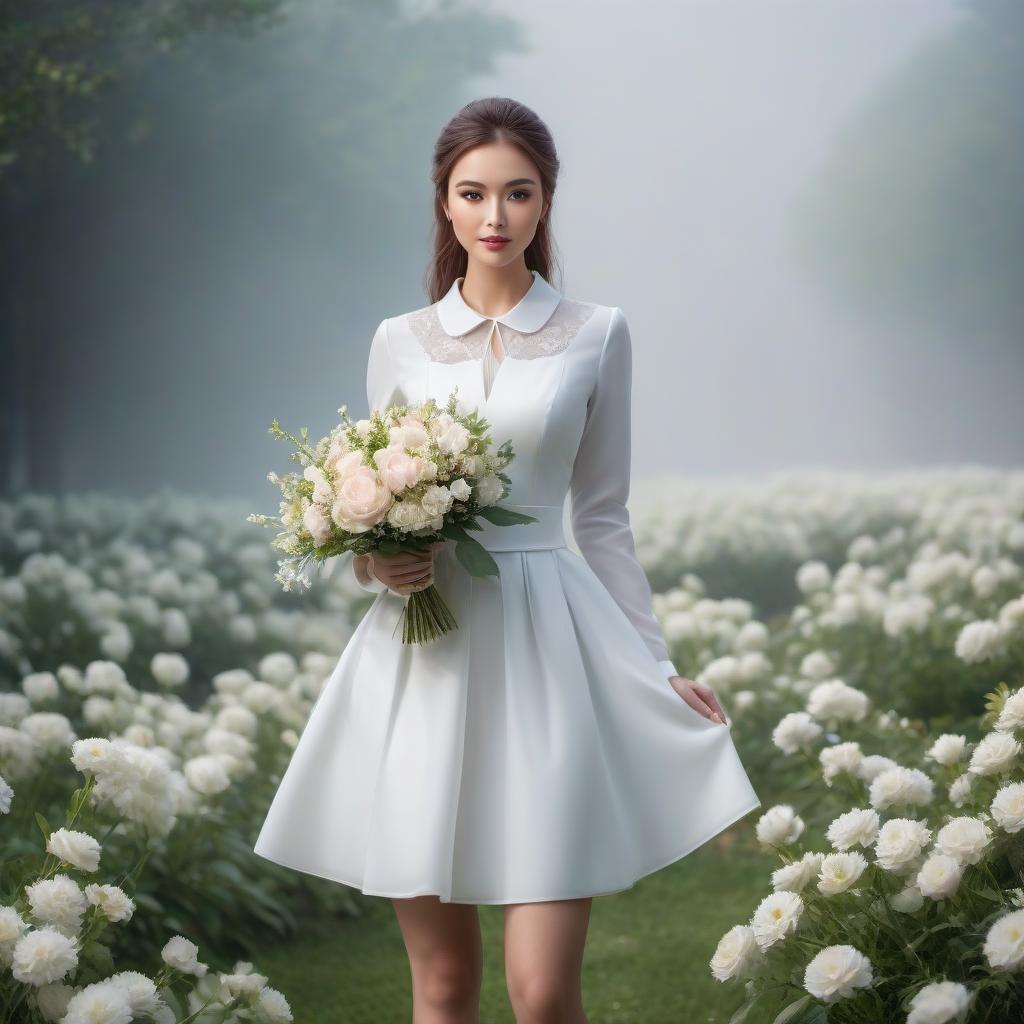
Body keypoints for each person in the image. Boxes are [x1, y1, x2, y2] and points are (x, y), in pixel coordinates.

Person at [254, 96, 761, 1024]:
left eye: (517, 194)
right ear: (444, 204)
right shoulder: (397, 340)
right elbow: (369, 529)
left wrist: (655, 666)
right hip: (424, 664)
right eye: (474, 193)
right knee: (443, 989)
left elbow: (603, 518)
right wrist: (383, 565)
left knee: (540, 991)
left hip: (553, 656)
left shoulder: (600, 333)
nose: (496, 217)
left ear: (545, 202)